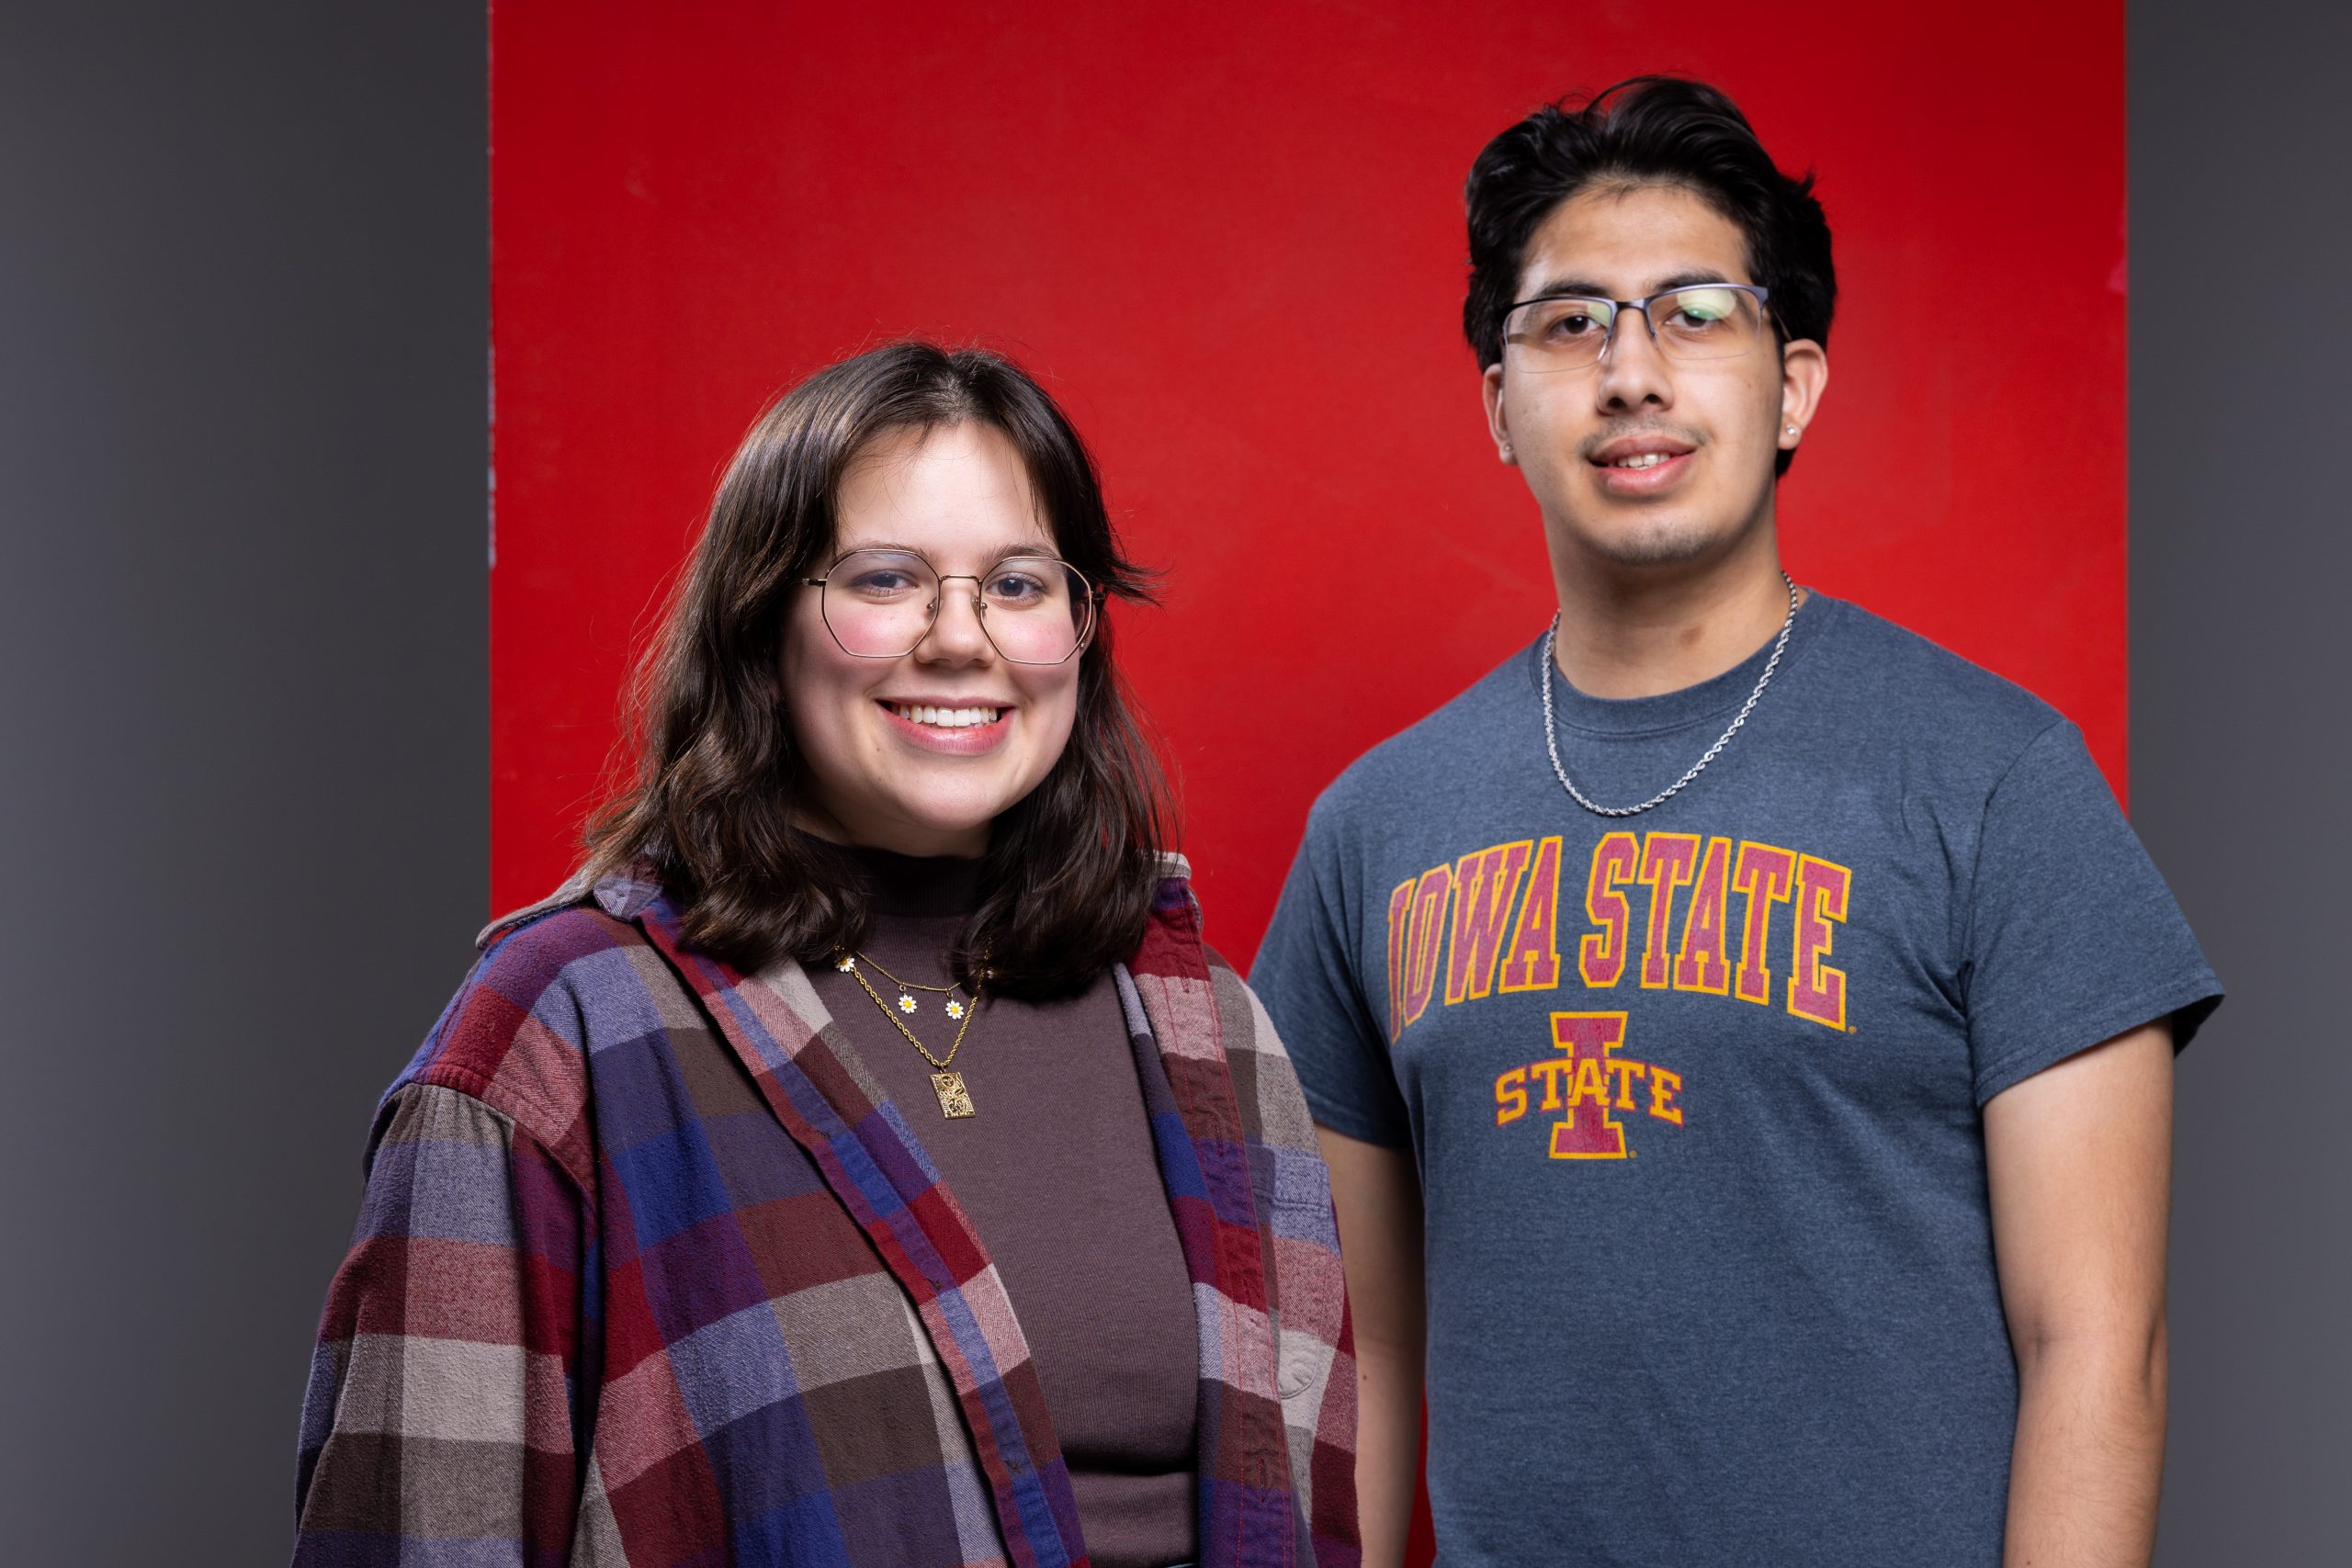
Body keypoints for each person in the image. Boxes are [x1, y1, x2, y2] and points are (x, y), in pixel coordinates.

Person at [1250, 78, 2220, 1568]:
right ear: (1502, 406)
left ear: (1793, 385)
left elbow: (2099, 1345)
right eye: (1571, 322)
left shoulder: (1999, 780)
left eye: (1696, 313)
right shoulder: (1375, 828)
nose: (1631, 371)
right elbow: (1351, 1374)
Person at [292, 342, 1360, 1568]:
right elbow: (423, 1536)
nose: (962, 642)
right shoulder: (558, 1042)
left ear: (1080, 632)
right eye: (887, 579)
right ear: (763, 623)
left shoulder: (1210, 1032)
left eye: (1017, 585)